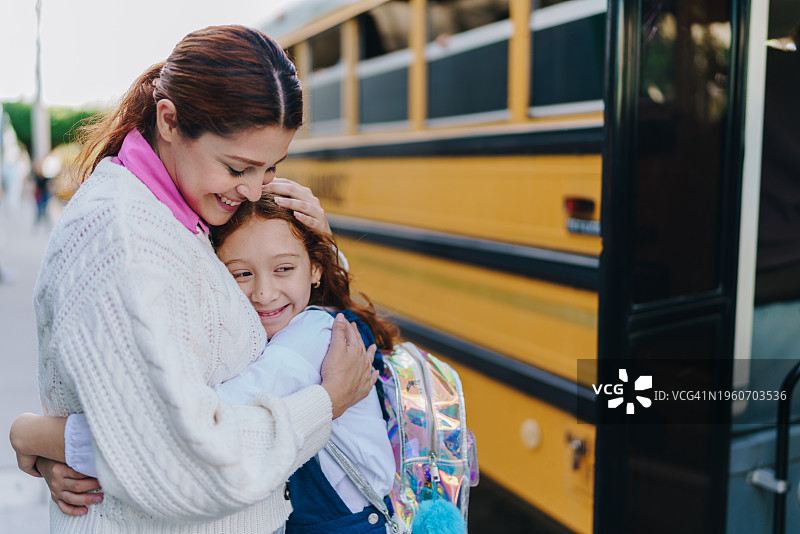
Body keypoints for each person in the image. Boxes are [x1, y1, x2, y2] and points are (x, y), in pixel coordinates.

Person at [8, 25, 377, 534]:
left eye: (269, 170)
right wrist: (327, 403)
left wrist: (321, 246)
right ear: (169, 121)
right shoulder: (127, 241)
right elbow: (185, 462)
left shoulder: (182, 217)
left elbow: (151, 418)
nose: (252, 192)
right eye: (237, 167)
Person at [13, 193, 399, 533]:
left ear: (315, 269)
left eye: (284, 269)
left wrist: (40, 437)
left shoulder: (311, 338)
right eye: (241, 274)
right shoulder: (280, 331)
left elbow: (186, 437)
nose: (264, 292)